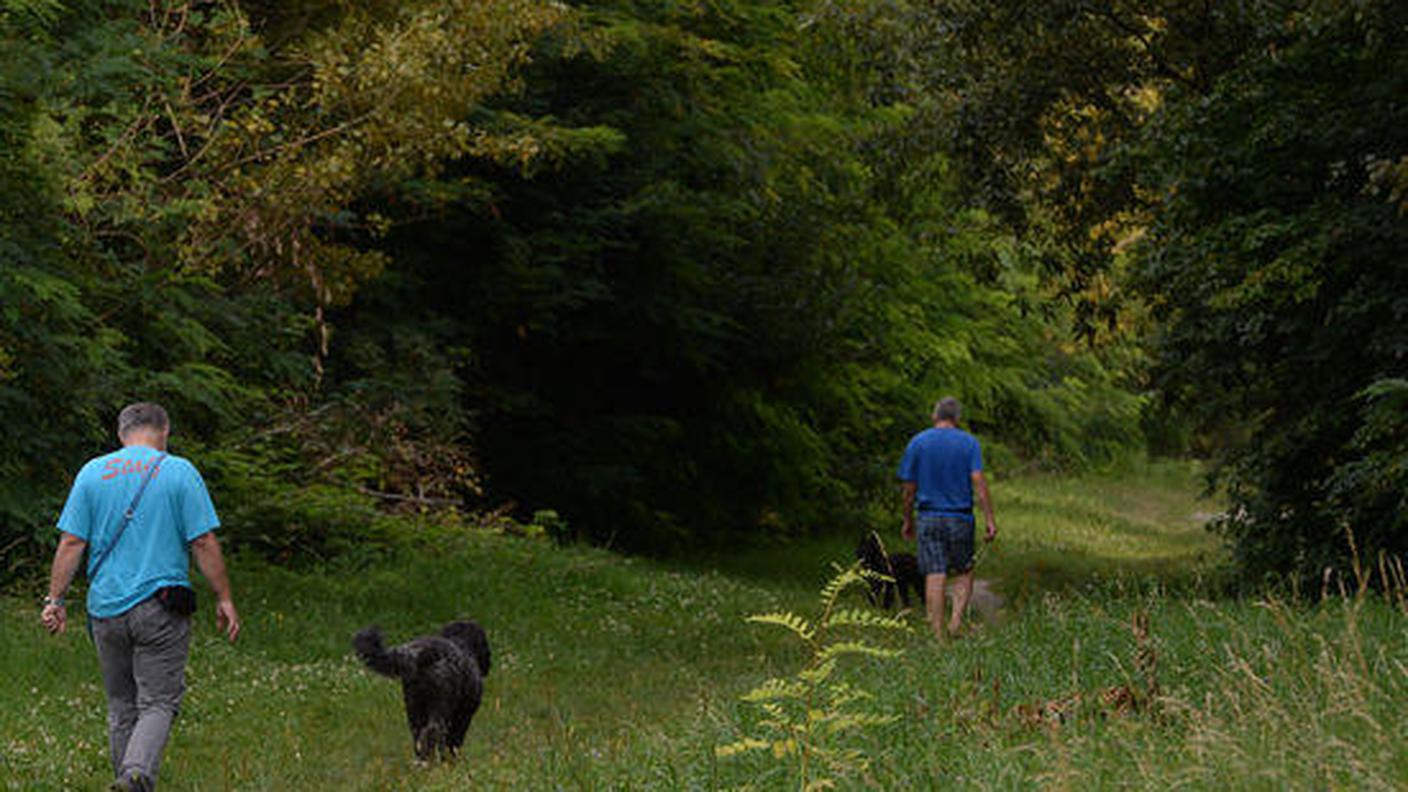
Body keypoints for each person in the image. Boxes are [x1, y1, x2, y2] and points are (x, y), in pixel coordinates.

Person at [40, 402, 240, 792]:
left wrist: (55, 600)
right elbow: (202, 540)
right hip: (160, 606)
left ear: (121, 434)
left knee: (120, 704)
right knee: (159, 702)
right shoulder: (180, 472)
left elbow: (71, 541)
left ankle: (127, 780)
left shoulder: (92, 473)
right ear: (165, 432)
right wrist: (224, 597)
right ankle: (135, 775)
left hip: (106, 610)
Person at [898, 397, 996, 640]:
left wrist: (907, 519)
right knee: (963, 571)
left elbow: (909, 488)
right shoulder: (969, 443)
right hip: (960, 518)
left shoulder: (918, 442)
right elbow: (979, 482)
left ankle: (938, 634)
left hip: (928, 517)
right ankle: (955, 623)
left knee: (935, 572)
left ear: (935, 416)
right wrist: (990, 519)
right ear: (957, 418)